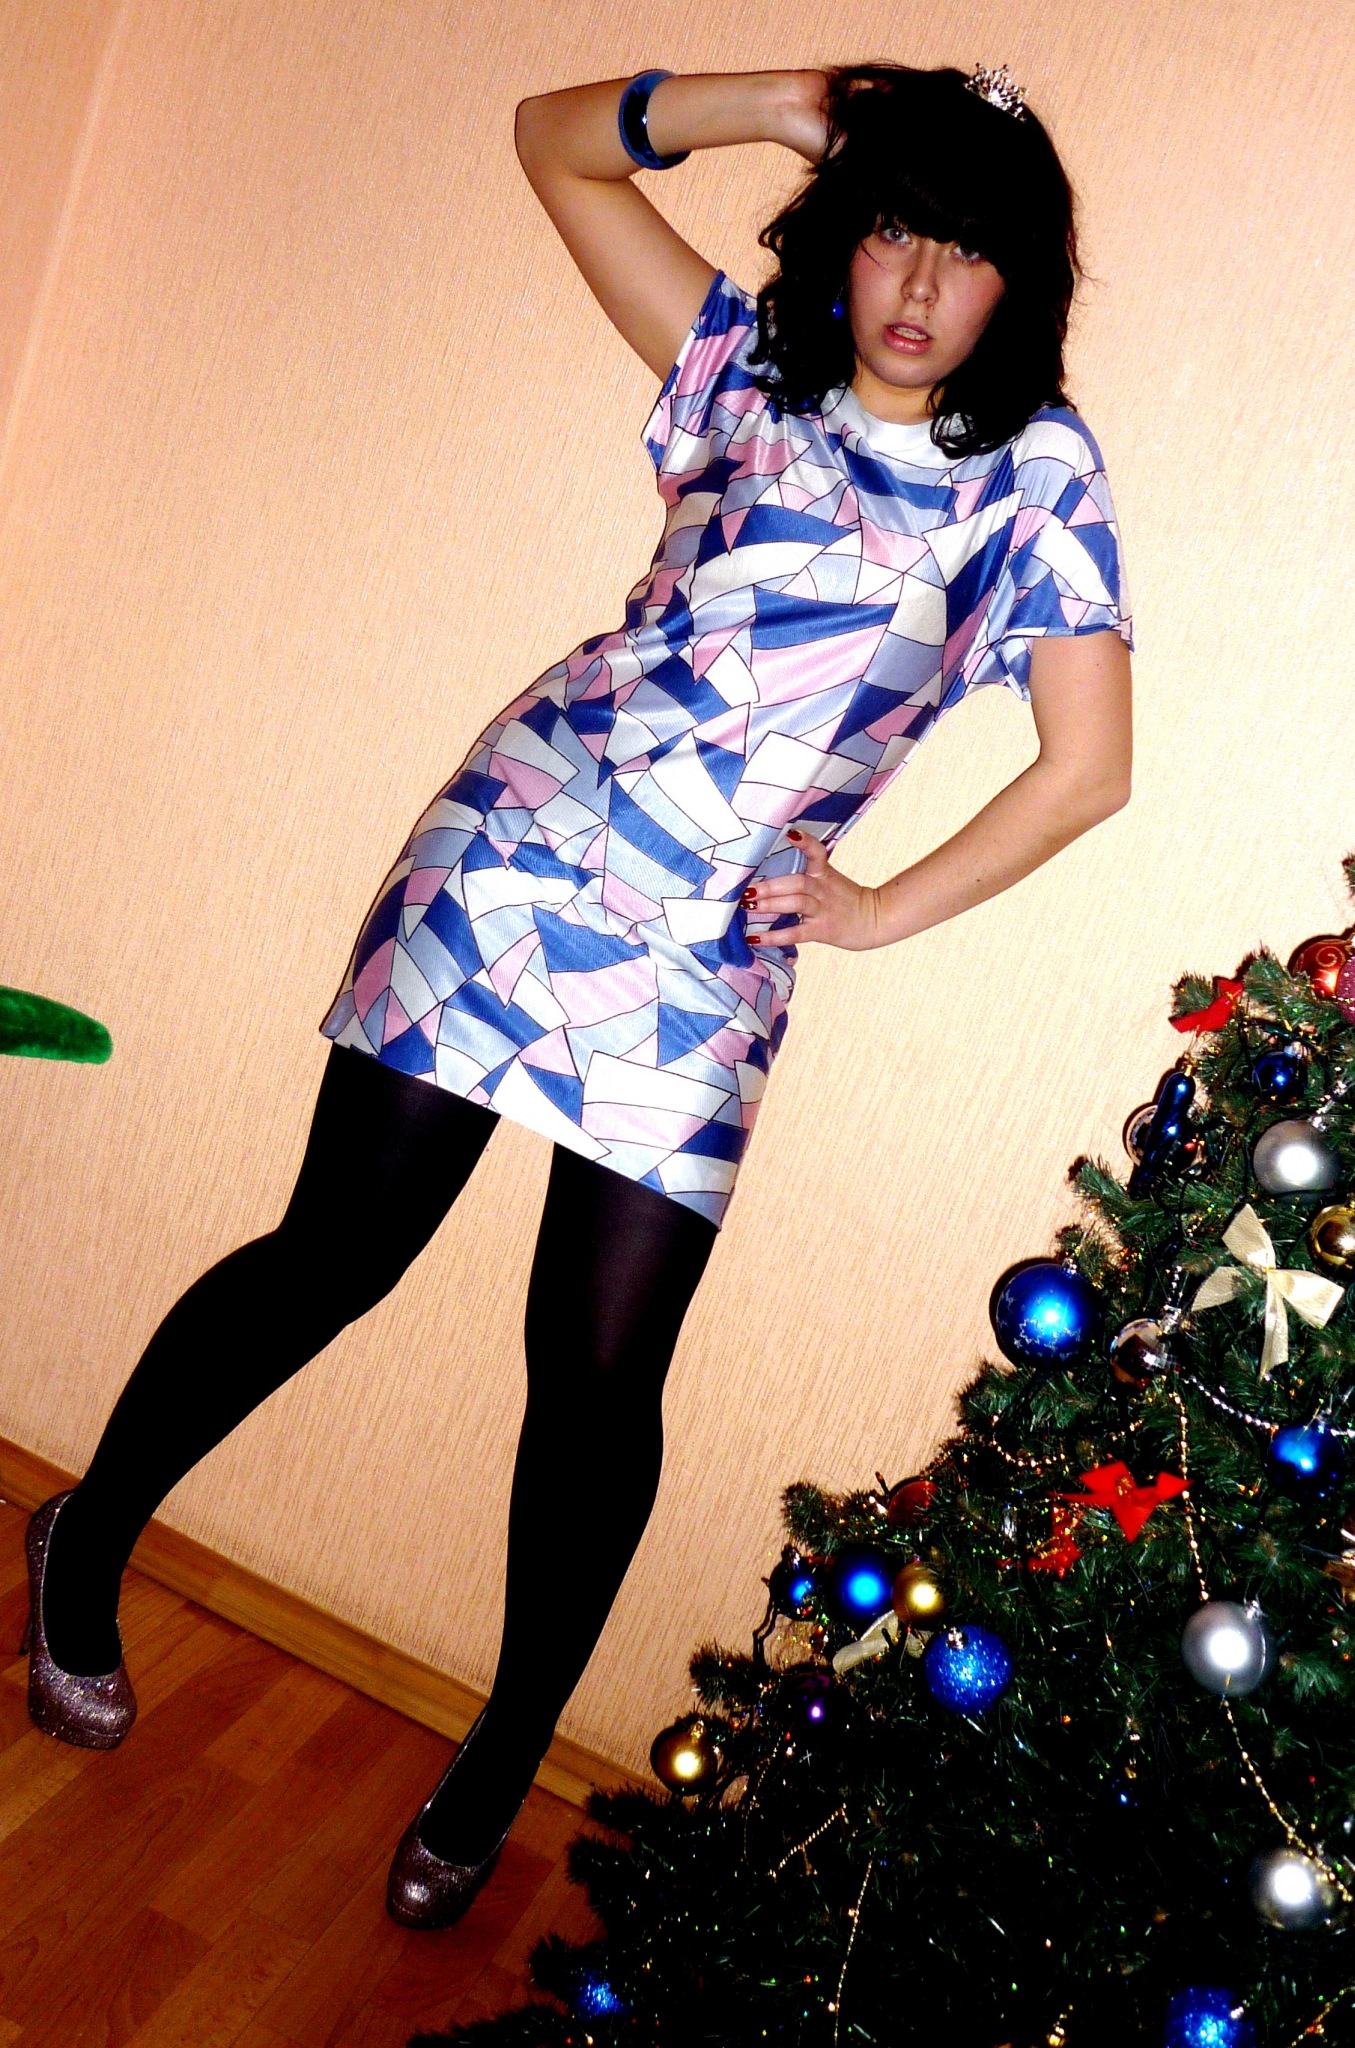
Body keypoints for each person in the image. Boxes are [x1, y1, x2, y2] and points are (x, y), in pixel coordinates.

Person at [20, 60, 1133, 1930]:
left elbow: (1088, 769)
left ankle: (504, 1749)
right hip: (519, 852)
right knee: (338, 1250)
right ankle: (88, 1536)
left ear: (1022, 285)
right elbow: (549, 144)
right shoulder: (744, 367)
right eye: (895, 230)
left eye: (969, 251)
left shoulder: (1041, 477)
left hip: (707, 951)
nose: (923, 283)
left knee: (602, 1372)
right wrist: (781, 102)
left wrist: (874, 910)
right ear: (845, 236)